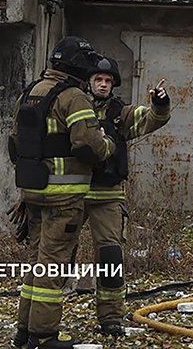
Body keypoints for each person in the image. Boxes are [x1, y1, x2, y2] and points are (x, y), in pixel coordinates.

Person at [9, 36, 115, 349]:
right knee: (53, 267)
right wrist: (107, 144)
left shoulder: (31, 92)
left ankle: (24, 332)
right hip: (63, 197)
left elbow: (15, 141)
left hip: (34, 191)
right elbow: (88, 143)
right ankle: (44, 337)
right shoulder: (72, 97)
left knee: (36, 263)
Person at [81, 56, 172, 336]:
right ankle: (47, 319)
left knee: (110, 255)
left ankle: (110, 318)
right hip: (71, 192)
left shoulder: (121, 113)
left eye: (108, 81)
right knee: (59, 255)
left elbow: (152, 119)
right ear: (90, 82)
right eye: (99, 80)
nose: (104, 84)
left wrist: (160, 102)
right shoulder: (74, 106)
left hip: (107, 194)